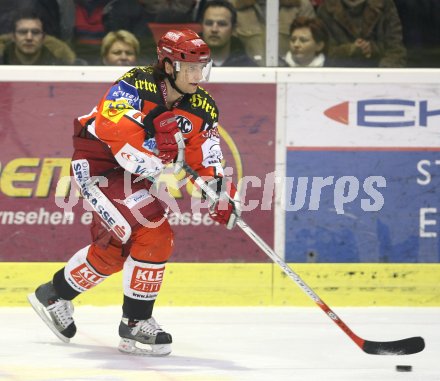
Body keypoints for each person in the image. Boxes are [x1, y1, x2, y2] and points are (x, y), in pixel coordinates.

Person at [27, 28, 241, 356]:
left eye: (203, 68)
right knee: (153, 231)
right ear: (169, 66)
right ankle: (135, 324)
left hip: (132, 176)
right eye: (191, 69)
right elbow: (113, 132)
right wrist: (158, 149)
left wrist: (218, 191)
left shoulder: (203, 107)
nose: (199, 76)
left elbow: (208, 155)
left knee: (116, 250)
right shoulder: (135, 82)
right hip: (99, 167)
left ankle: (53, 294)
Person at [316, 0, 407, 67]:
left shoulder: (385, 4)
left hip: (379, 74)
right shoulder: (326, 10)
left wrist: (373, 49)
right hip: (342, 77)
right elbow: (323, 53)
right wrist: (351, 49)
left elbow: (396, 50)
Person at [0, 9, 77, 65]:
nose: (29, 37)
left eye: (35, 32)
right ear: (13, 37)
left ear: (43, 37)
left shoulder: (59, 63)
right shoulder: (2, 59)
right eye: (22, 32)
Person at [200, 0, 258, 66]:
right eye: (209, 23)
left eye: (222, 24)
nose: (214, 29)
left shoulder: (248, 67)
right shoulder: (189, 65)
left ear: (233, 29)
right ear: (202, 26)